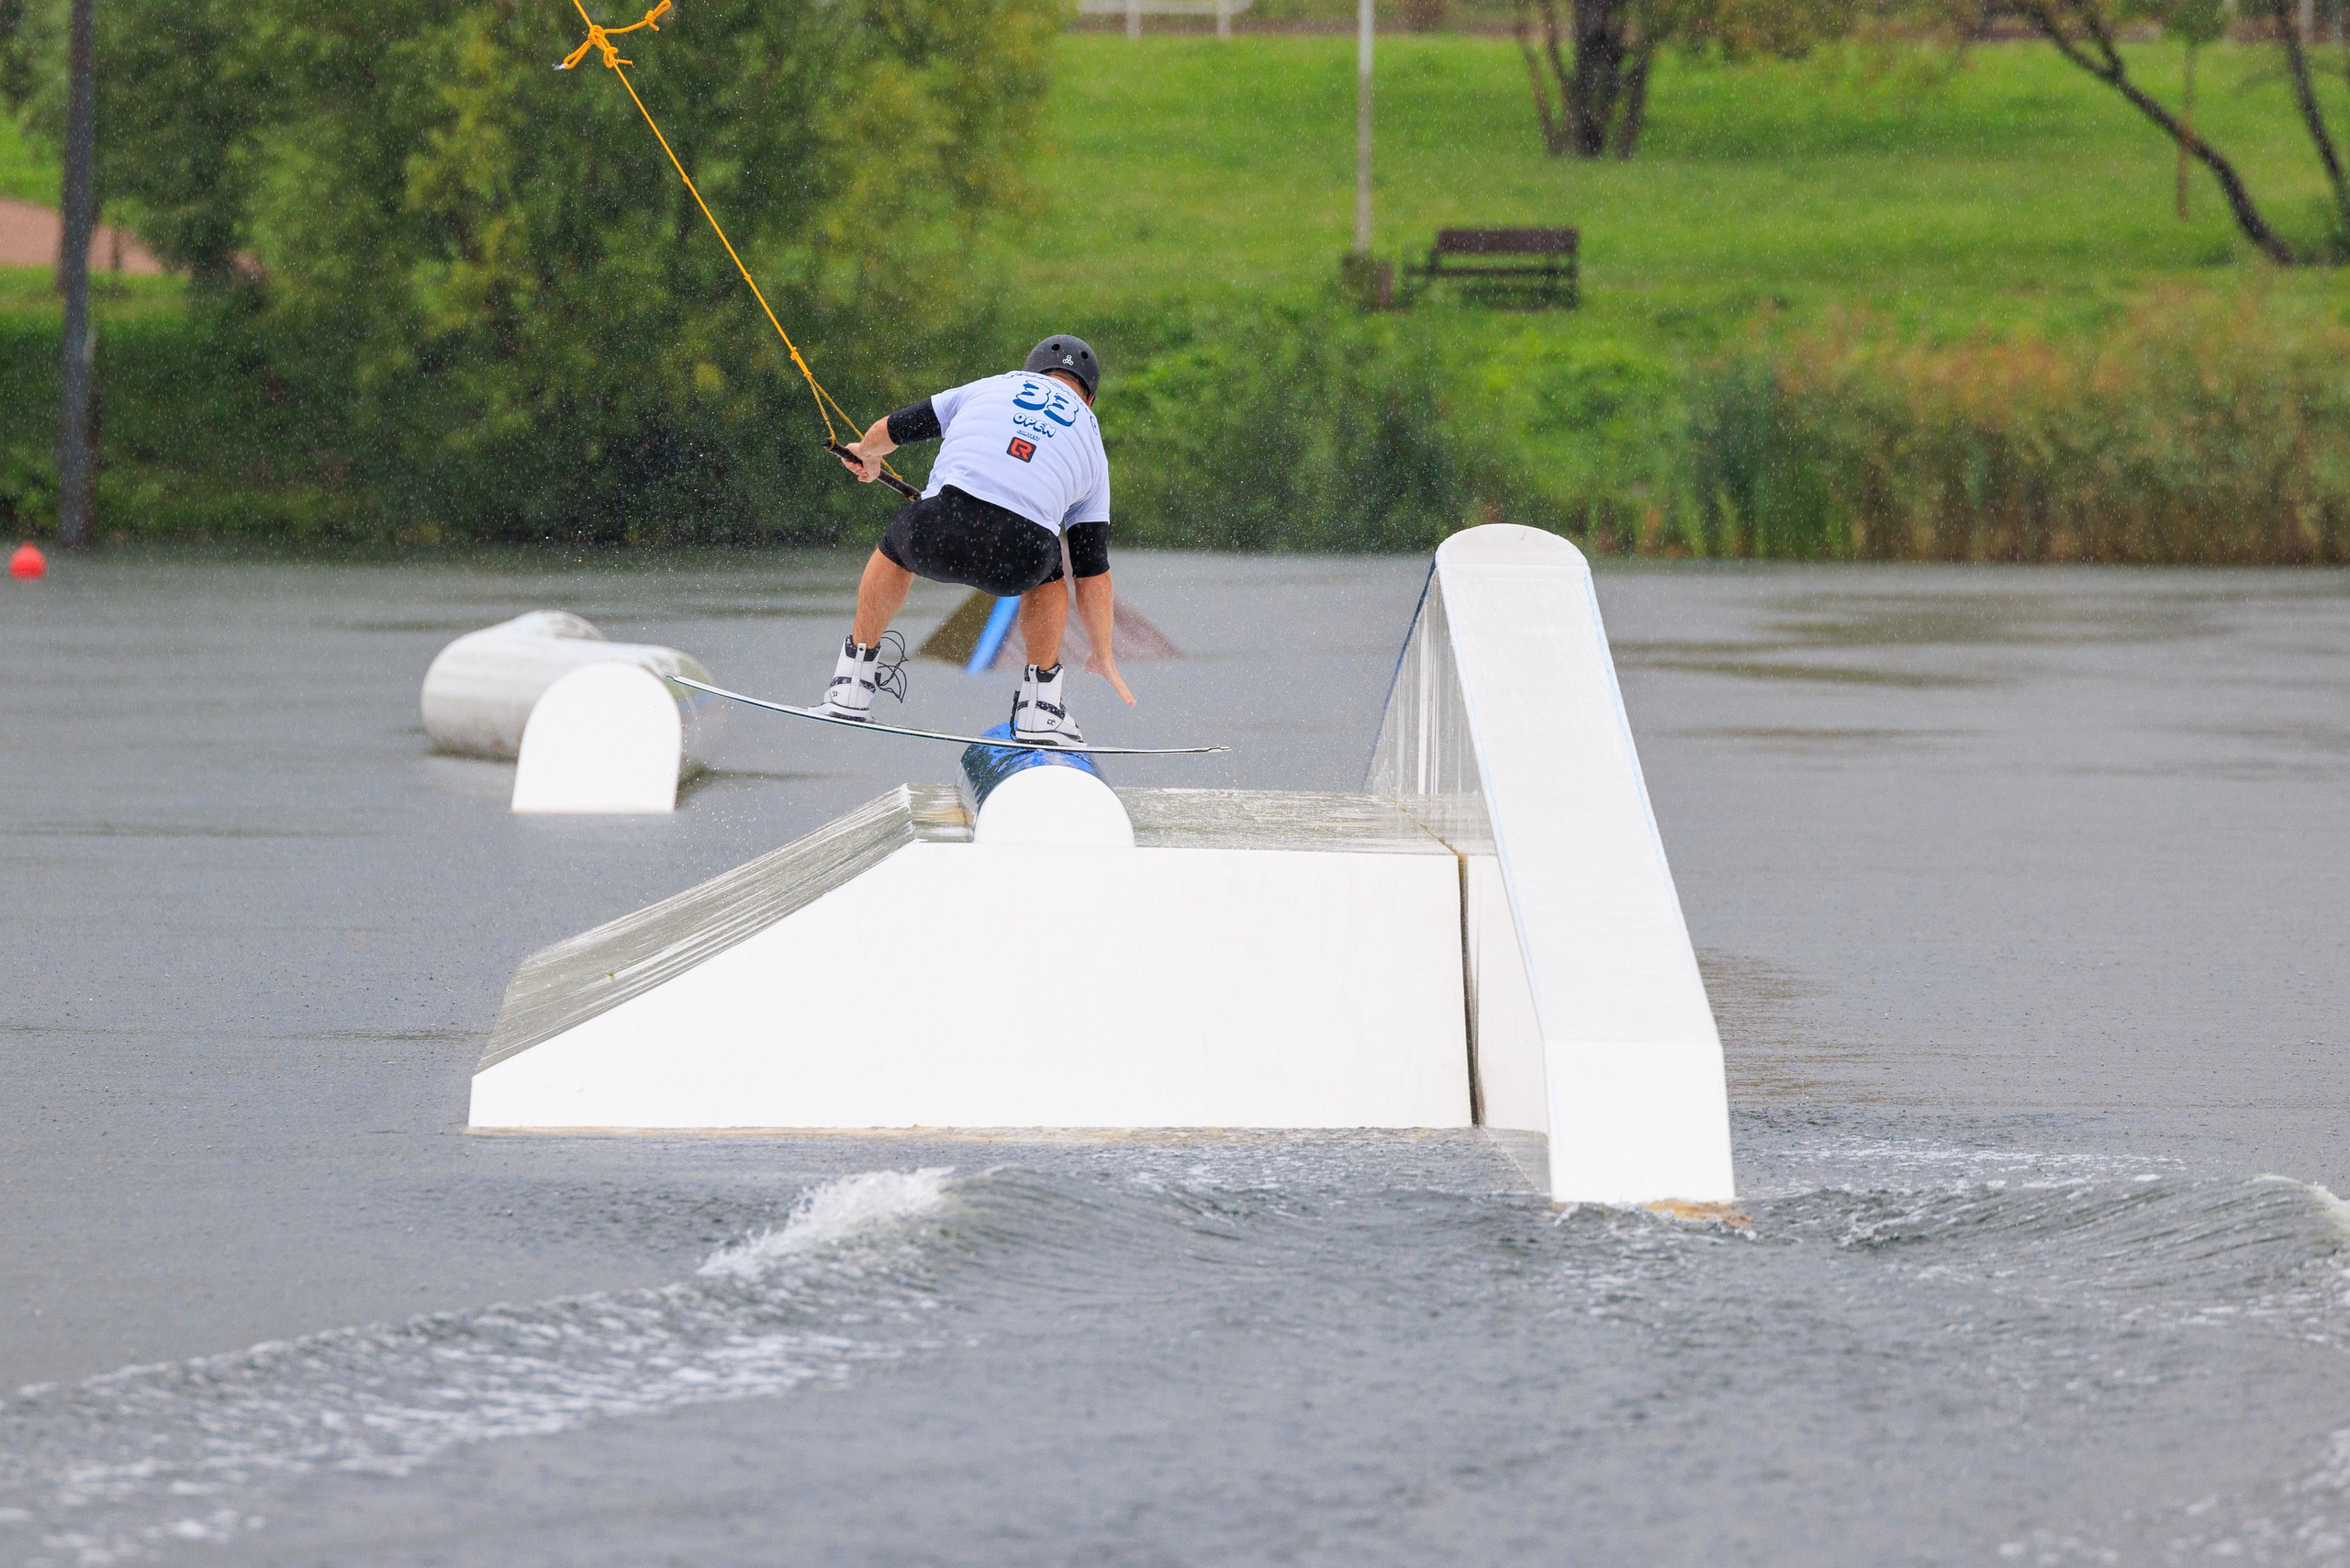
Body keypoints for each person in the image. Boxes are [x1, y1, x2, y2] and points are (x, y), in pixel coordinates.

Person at [826, 334, 1133, 746]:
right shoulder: (1093, 445)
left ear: (1030, 373)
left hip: (940, 531)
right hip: (1018, 558)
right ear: (1089, 399)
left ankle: (852, 683)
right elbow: (1093, 570)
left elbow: (894, 428)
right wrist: (1102, 652)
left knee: (896, 548)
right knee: (1052, 573)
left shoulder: (992, 386)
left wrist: (867, 453)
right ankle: (1040, 707)